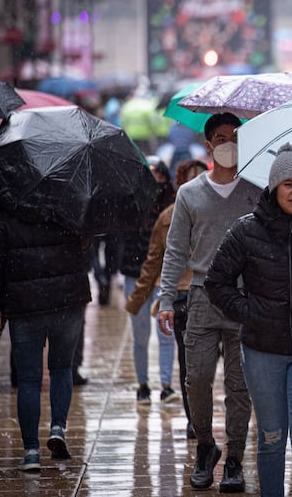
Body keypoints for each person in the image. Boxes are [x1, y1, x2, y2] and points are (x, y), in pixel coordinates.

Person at [205, 142, 292, 497]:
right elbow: (216, 283)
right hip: (262, 348)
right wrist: (250, 313)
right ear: (274, 186)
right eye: (289, 184)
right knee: (272, 436)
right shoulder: (246, 230)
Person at [156, 113, 260, 492]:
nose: (228, 142)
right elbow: (175, 250)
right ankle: (206, 446)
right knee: (196, 378)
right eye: (220, 137)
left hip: (245, 300)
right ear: (209, 145)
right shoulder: (189, 194)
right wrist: (166, 297)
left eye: (234, 137)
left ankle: (234, 458)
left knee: (239, 385)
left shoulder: (256, 190)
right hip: (200, 297)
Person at [0, 186, 93, 471]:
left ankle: (31, 451)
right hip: (67, 299)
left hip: (24, 303)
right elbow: (86, 244)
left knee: (29, 379)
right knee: (61, 368)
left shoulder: (6, 204)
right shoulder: (70, 197)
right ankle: (58, 427)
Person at [125, 158, 208, 436]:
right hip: (186, 297)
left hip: (204, 296)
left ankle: (193, 418)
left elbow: (154, 262)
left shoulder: (201, 212)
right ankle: (193, 419)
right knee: (190, 363)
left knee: (194, 364)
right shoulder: (168, 217)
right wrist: (139, 298)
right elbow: (156, 261)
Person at [120, 155, 176, 405]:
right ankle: (143, 384)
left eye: (159, 176)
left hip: (163, 277)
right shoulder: (130, 204)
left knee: (166, 333)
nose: (155, 182)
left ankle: (166, 385)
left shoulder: (174, 206)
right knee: (140, 334)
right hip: (136, 276)